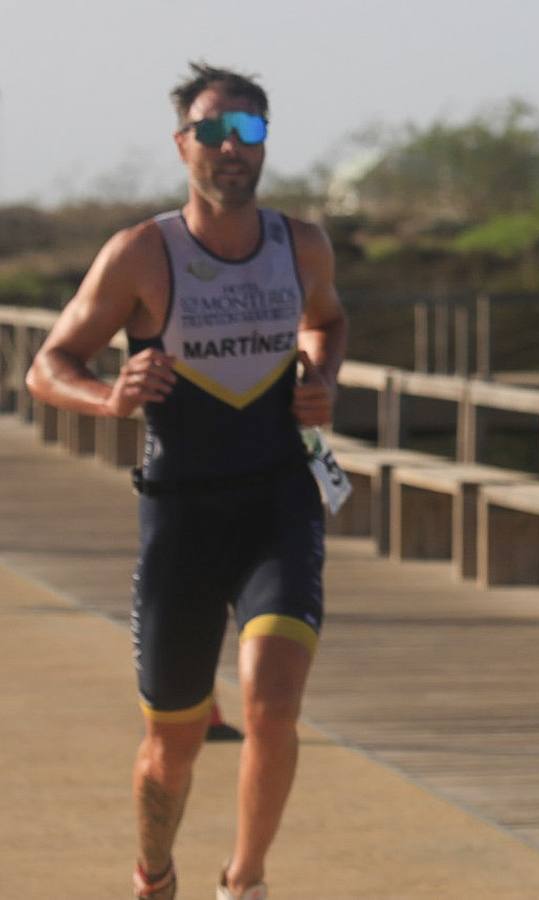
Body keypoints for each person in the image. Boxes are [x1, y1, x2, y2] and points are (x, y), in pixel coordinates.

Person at [25, 63, 346, 900]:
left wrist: (323, 377)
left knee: (271, 706)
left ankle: (244, 882)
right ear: (183, 146)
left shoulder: (300, 244)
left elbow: (329, 319)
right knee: (171, 744)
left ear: (264, 145)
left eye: (247, 131)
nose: (230, 148)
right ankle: (154, 876)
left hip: (280, 501)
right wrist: (109, 394)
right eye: (212, 131)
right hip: (181, 520)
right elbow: (46, 367)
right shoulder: (142, 253)